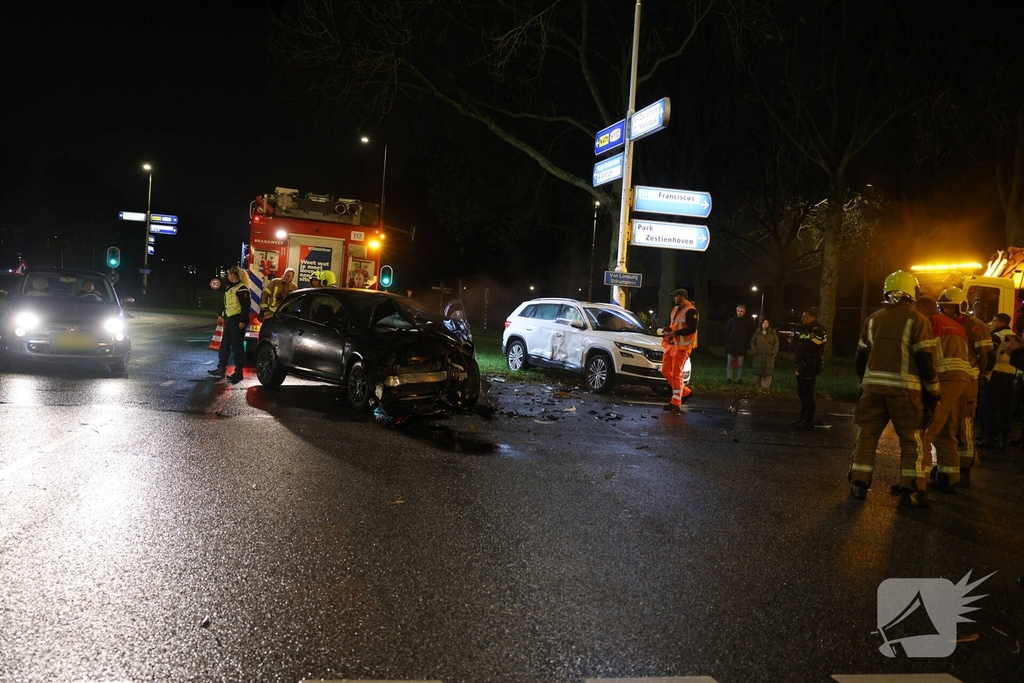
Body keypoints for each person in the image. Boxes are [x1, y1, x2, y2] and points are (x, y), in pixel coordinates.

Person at [848, 270, 940, 508]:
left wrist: (862, 385)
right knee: (912, 441)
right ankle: (911, 491)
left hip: (872, 391)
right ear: (912, 292)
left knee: (867, 436)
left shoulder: (872, 319)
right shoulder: (918, 320)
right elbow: (926, 360)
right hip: (906, 393)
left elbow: (860, 358)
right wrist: (933, 392)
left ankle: (859, 484)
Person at [911, 295, 971, 494]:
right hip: (963, 382)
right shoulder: (957, 326)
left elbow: (925, 354)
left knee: (925, 431)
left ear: (922, 309)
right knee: (947, 432)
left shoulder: (928, 322)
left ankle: (918, 482)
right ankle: (949, 478)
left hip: (945, 380)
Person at [936, 286, 993, 487]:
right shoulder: (945, 324)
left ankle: (964, 467)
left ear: (961, 306)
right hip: (950, 381)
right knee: (948, 423)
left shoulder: (973, 325)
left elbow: (987, 355)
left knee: (965, 422)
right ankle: (950, 465)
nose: (947, 311)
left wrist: (984, 376)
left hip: (969, 380)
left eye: (951, 307)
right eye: (944, 307)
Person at [977, 312, 1015, 450]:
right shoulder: (1014, 336)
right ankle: (1004, 438)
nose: (992, 324)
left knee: (988, 406)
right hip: (1010, 376)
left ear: (1001, 323)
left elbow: (989, 355)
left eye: (994, 321)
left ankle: (990, 437)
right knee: (1004, 408)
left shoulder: (996, 336)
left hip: (995, 375)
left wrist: (984, 373)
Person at [208, 265, 251, 383]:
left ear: (234, 275)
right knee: (225, 345)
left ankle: (238, 372)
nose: (228, 276)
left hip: (237, 320)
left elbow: (246, 306)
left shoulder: (242, 289)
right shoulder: (230, 288)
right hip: (230, 319)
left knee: (237, 347)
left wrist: (243, 321)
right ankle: (221, 368)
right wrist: (221, 314)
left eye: (229, 274)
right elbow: (226, 304)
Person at [661, 288, 699, 412]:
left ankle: (676, 402)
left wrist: (675, 333)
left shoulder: (691, 311)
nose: (674, 298)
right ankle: (685, 392)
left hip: (682, 347)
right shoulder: (675, 309)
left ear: (682, 297)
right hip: (672, 344)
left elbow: (692, 329)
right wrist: (666, 328)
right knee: (665, 370)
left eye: (676, 296)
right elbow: (671, 323)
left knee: (677, 373)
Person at [790, 306, 828, 429]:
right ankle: (803, 417)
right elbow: (800, 344)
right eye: (802, 316)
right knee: (801, 392)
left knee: (808, 394)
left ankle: (809, 421)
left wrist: (796, 343)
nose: (802, 318)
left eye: (805, 316)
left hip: (811, 364)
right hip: (802, 364)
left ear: (813, 317)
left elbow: (809, 347)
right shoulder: (805, 329)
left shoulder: (818, 330)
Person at [724, 304, 756, 383]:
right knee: (729, 363)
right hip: (731, 345)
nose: (739, 313)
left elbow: (749, 333)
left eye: (741, 311)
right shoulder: (731, 321)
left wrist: (745, 341)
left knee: (741, 364)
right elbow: (727, 331)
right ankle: (729, 378)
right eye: (738, 311)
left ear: (744, 312)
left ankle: (740, 379)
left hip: (741, 345)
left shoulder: (747, 322)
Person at [748, 317, 779, 388]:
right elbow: (752, 342)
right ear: (761, 324)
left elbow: (776, 342)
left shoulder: (772, 333)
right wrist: (755, 350)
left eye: (767, 323)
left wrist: (774, 351)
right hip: (759, 355)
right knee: (758, 370)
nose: (765, 324)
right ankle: (757, 385)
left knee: (767, 371)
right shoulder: (757, 332)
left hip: (769, 355)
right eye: (764, 323)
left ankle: (765, 386)